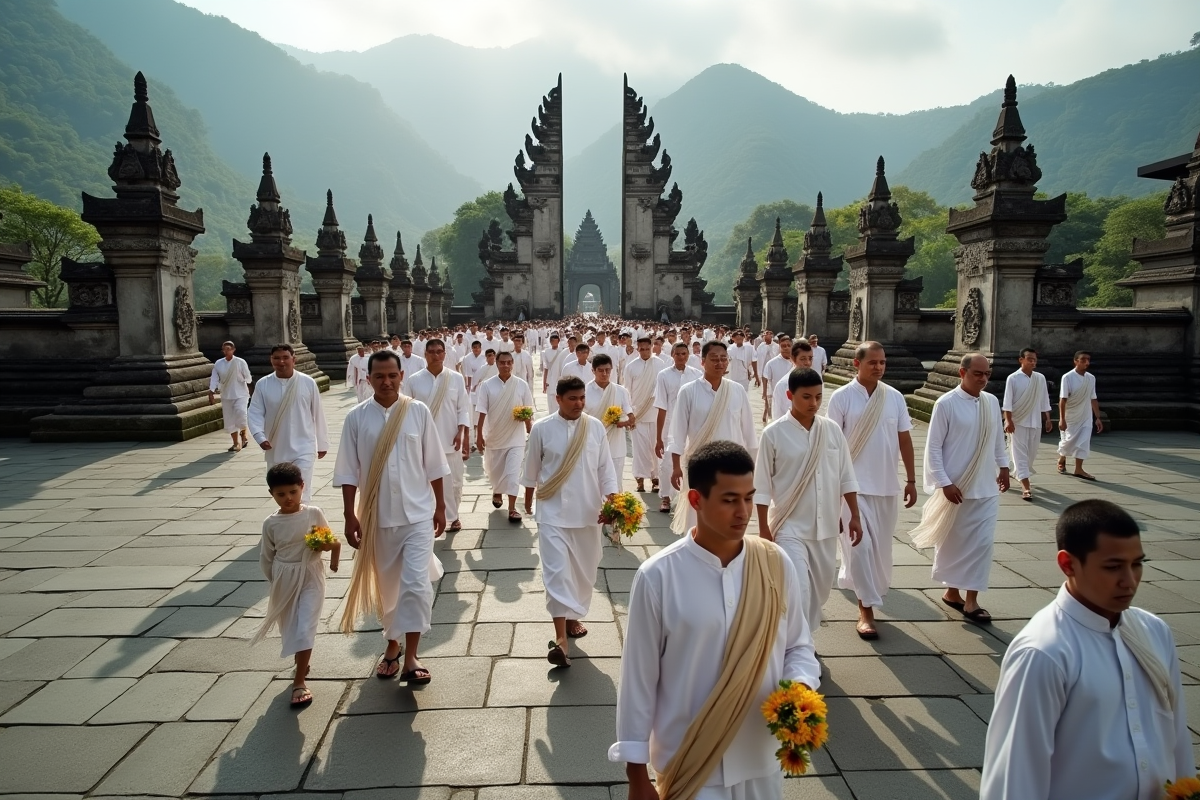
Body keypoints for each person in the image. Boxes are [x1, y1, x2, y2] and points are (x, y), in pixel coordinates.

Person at [610, 440, 820, 800]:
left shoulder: (775, 563)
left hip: (760, 757)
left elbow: (798, 645)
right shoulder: (658, 576)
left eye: (749, 498)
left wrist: (799, 689)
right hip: (691, 761)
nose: (744, 512)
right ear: (696, 501)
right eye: (729, 500)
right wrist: (636, 774)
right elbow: (638, 680)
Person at [981, 499, 1193, 800]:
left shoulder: (1154, 632)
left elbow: (1178, 740)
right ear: (1068, 564)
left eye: (1137, 564)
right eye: (1113, 567)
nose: (1129, 581)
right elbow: (1016, 776)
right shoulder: (1044, 652)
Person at [335, 350, 449, 685]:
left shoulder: (417, 412)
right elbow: (347, 472)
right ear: (367, 379)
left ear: (402, 376)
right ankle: (392, 645)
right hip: (377, 516)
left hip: (417, 515)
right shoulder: (356, 418)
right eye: (379, 376)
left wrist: (440, 506)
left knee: (415, 585)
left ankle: (412, 656)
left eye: (392, 376)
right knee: (389, 589)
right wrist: (348, 516)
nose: (386, 382)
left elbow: (435, 464)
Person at [756, 368, 861, 639]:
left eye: (818, 397)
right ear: (790, 396)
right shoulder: (773, 434)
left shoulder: (832, 430)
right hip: (789, 524)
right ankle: (800, 646)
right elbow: (762, 486)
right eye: (806, 397)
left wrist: (855, 516)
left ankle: (804, 633)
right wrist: (763, 529)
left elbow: (846, 475)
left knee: (820, 589)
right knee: (798, 588)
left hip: (827, 523)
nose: (813, 403)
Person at [522, 376, 618, 668]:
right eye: (572, 398)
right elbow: (531, 468)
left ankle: (573, 615)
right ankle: (560, 640)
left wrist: (613, 500)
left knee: (583, 572)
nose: (578, 404)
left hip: (588, 512)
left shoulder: (596, 427)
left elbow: (606, 468)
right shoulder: (541, 428)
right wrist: (527, 499)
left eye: (582, 398)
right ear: (558, 399)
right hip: (552, 513)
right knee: (555, 574)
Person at [827, 342, 917, 639]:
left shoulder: (894, 398)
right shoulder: (841, 398)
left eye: (882, 362)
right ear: (857, 364)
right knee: (860, 546)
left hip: (886, 486)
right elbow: (832, 447)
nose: (878, 367)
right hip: (851, 487)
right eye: (872, 363)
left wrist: (912, 480)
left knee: (880, 552)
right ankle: (865, 610)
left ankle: (868, 592)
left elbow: (904, 440)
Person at [910, 352, 1009, 625]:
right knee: (952, 543)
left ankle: (972, 600)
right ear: (962, 373)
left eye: (987, 374)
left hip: (986, 487)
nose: (983, 379)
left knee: (982, 544)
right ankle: (952, 591)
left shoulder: (991, 401)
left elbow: (998, 438)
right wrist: (944, 482)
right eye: (978, 373)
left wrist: (1004, 466)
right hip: (957, 487)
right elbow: (933, 448)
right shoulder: (946, 404)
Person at [253, 462, 339, 709]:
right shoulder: (270, 523)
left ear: (302, 487)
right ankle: (302, 660)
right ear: (271, 494)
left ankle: (299, 681)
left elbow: (330, 540)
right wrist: (276, 581)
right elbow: (266, 557)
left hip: (310, 575)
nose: (288, 498)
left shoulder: (313, 513)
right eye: (280, 494)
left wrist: (330, 557)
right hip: (283, 577)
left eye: (293, 491)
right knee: (290, 626)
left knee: (305, 625)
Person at [669, 341, 757, 536]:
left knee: (730, 515)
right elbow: (678, 433)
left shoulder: (737, 391)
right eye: (714, 359)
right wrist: (676, 466)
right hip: (700, 465)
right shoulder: (688, 391)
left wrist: (752, 469)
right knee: (698, 514)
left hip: (732, 466)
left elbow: (750, 434)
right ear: (703, 362)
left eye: (723, 359)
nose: (719, 363)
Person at [403, 338, 471, 533]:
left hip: (450, 439)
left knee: (454, 481)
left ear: (444, 354)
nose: (435, 355)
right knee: (424, 481)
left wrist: (461, 433)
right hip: (422, 442)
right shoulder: (414, 380)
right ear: (425, 354)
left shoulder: (455, 378)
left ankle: (453, 516)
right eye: (431, 351)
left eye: (439, 351)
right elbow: (406, 411)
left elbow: (462, 409)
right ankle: (429, 515)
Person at [247, 344, 329, 504]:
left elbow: (318, 413)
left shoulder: (307, 382)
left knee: (301, 489)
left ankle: (304, 522)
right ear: (271, 360)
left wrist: (322, 443)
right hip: (276, 446)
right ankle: (288, 522)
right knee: (282, 491)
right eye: (276, 358)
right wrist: (259, 436)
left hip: (304, 446)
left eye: (285, 357)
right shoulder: (263, 384)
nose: (281, 362)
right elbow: (255, 412)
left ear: (294, 360)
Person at [476, 351, 536, 522]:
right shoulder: (487, 385)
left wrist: (529, 428)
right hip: (494, 436)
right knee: (496, 471)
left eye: (509, 362)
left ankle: (512, 509)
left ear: (512, 364)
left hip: (516, 437)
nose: (506, 366)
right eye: (502, 362)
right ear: (497, 363)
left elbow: (528, 410)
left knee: (513, 472)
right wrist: (478, 435)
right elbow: (481, 411)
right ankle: (497, 490)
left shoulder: (521, 385)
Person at [654, 342, 703, 514]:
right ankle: (665, 497)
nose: (681, 357)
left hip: (693, 424)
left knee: (690, 462)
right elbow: (661, 406)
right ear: (672, 355)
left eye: (684, 354)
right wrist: (658, 437)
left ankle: (688, 498)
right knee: (667, 463)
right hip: (670, 425)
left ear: (688, 355)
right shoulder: (664, 376)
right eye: (678, 354)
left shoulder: (697, 375)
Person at [1002, 347, 1054, 501]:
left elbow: (1044, 399)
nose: (1033, 362)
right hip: (1018, 422)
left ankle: (1012, 471)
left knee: (1030, 455)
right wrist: (1008, 420)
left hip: (1035, 422)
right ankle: (1026, 486)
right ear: (1021, 360)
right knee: (1019, 455)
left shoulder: (1040, 378)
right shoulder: (1013, 378)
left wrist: (1048, 418)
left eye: (1035, 360)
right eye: (1030, 359)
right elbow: (1007, 403)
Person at [623, 337, 667, 494]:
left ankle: (656, 479)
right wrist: (628, 414)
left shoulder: (661, 365)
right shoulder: (631, 367)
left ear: (651, 348)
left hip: (656, 413)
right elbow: (626, 392)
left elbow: (664, 389)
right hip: (638, 414)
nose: (644, 351)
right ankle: (640, 478)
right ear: (637, 349)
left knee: (656, 447)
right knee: (639, 448)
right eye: (641, 349)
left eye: (647, 348)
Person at [585, 353, 635, 487]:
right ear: (593, 371)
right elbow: (580, 418)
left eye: (608, 370)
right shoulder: (585, 391)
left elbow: (630, 416)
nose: (605, 374)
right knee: (593, 482)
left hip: (616, 444)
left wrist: (623, 422)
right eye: (600, 371)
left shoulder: (620, 391)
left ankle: (614, 508)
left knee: (615, 481)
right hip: (592, 442)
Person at [1057, 350, 1102, 482]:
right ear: (1075, 361)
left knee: (1083, 442)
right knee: (1068, 440)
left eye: (1088, 359)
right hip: (1071, 414)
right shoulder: (1067, 377)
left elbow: (1093, 398)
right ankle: (1062, 457)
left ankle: (1079, 469)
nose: (1086, 362)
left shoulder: (1091, 378)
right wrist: (1062, 418)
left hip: (1086, 415)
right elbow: (1063, 399)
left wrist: (1098, 417)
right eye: (1083, 360)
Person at [208, 340, 252, 452]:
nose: (227, 351)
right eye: (225, 349)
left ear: (233, 350)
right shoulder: (218, 363)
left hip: (240, 393)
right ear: (222, 350)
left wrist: (243, 378)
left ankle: (244, 433)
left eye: (229, 349)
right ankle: (235, 443)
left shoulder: (240, 362)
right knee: (229, 419)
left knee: (241, 412)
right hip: (226, 394)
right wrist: (211, 391)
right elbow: (214, 377)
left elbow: (248, 377)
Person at [771, 340, 814, 422]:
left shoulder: (814, 382)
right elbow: (777, 417)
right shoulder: (783, 385)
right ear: (793, 359)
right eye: (803, 359)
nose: (808, 363)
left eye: (810, 358)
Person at [760, 334, 792, 422]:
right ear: (779, 347)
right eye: (783, 346)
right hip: (776, 398)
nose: (786, 348)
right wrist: (765, 395)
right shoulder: (771, 363)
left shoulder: (796, 363)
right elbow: (765, 378)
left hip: (793, 400)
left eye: (788, 346)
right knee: (775, 423)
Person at [541, 332, 567, 399]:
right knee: (550, 401)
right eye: (552, 341)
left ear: (558, 341)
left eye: (556, 341)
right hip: (549, 380)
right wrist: (544, 383)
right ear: (550, 342)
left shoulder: (562, 352)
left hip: (559, 379)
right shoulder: (546, 352)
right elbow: (545, 368)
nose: (554, 343)